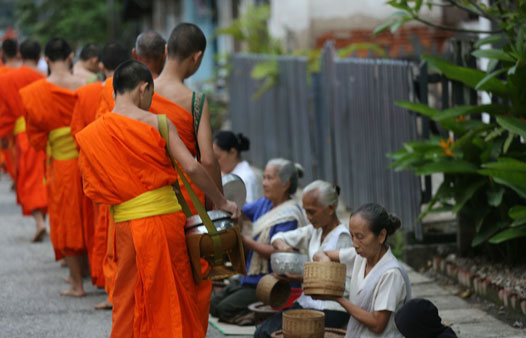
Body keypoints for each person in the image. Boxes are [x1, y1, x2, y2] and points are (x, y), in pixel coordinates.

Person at [75, 59, 239, 338]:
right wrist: (222, 202)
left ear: (115, 91)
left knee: (127, 298)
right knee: (168, 295)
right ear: (143, 88)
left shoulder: (94, 133)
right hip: (162, 226)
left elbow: (92, 188)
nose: (152, 100)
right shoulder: (159, 123)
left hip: (124, 227)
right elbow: (191, 167)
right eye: (151, 94)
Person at [149, 23, 222, 332]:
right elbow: (206, 159)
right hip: (188, 202)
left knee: (158, 280)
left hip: (150, 196)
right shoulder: (194, 100)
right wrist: (220, 202)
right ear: (197, 57)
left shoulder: (141, 93)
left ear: (166, 52)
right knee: (195, 276)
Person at [20, 37, 87, 297]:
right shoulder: (86, 87)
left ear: (45, 59)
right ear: (71, 56)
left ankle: (76, 283)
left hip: (61, 163)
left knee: (67, 219)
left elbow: (36, 138)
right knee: (89, 216)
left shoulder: (36, 92)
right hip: (89, 159)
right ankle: (90, 274)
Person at [70, 41, 131, 310]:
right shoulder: (139, 91)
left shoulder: (89, 92)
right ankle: (120, 290)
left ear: (101, 65)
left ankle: (113, 290)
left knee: (109, 234)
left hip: (103, 169)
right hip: (131, 172)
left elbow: (80, 134)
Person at [210, 158, 308, 324]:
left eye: (270, 178)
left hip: (271, 284)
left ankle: (258, 316)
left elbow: (278, 254)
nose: (264, 183)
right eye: (264, 178)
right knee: (212, 305)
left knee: (224, 309)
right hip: (251, 279)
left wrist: (243, 239)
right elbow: (240, 209)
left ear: (285, 184)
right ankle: (254, 313)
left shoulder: (290, 214)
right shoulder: (264, 203)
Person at [254, 180, 352, 337]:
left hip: (332, 308)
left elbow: (338, 285)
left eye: (312, 212)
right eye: (305, 211)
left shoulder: (342, 237)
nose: (308, 217)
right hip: (307, 302)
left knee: (268, 333)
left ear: (330, 209)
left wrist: (299, 278)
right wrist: (282, 246)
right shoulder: (314, 231)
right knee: (262, 331)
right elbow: (278, 237)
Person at [314, 203, 411, 338]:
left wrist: (338, 299)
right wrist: (325, 263)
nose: (354, 244)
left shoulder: (391, 274)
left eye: (360, 237)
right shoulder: (360, 257)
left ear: (381, 236)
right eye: (352, 236)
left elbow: (377, 324)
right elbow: (322, 254)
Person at [0, 39, 47, 242]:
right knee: (43, 177)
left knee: (27, 179)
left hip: (22, 135)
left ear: (21, 54)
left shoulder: (7, 79)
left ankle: (40, 222)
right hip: (45, 134)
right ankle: (43, 221)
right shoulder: (43, 78)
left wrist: (3, 134)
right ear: (39, 57)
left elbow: (4, 111)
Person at [213, 131, 262, 204]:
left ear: (233, 153)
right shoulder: (225, 173)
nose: (216, 162)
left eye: (218, 157)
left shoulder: (246, 177)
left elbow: (249, 210)